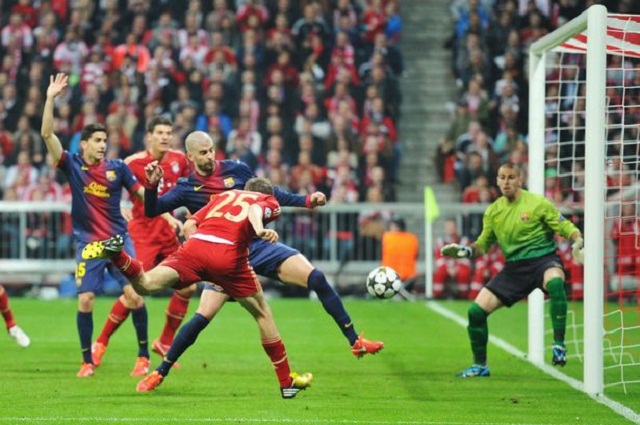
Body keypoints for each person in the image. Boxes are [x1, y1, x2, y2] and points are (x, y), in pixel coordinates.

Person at [82, 177, 314, 399]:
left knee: (146, 284)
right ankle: (286, 383)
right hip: (228, 257)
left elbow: (190, 224)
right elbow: (254, 210)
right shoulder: (267, 200)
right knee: (263, 313)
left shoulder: (223, 196)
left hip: (194, 248)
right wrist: (259, 229)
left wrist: (202, 256)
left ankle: (117, 254)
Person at [41, 73, 150, 378]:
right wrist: (50, 98)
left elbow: (141, 195)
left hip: (118, 240)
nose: (103, 145)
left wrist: (159, 199)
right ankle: (87, 360)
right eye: (98, 141)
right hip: (89, 244)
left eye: (105, 140)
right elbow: (48, 135)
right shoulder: (72, 164)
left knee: (135, 296)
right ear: (85, 143)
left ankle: (143, 357)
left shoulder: (118, 169)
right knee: (86, 299)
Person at [440, 162, 584, 377]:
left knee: (555, 282)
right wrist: (464, 252)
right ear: (497, 181)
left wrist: (577, 239)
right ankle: (480, 366)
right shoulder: (493, 211)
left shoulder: (537, 203)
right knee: (475, 312)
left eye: (510, 177)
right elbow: (483, 245)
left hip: (543, 261)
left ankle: (559, 344)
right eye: (502, 177)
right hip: (514, 269)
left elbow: (563, 225)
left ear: (519, 180)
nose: (506, 182)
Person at [91, 116, 190, 368]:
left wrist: (192, 214)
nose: (165, 137)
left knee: (188, 287)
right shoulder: (133, 163)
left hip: (169, 235)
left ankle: (164, 342)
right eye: (160, 132)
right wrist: (119, 207)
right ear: (149, 136)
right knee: (135, 292)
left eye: (169, 132)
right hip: (142, 235)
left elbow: (191, 190)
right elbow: (108, 186)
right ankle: (100, 343)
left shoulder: (179, 160)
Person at [381, 217, 419, 292]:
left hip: (389, 276)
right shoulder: (412, 238)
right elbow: (416, 255)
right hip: (409, 276)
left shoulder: (387, 237)